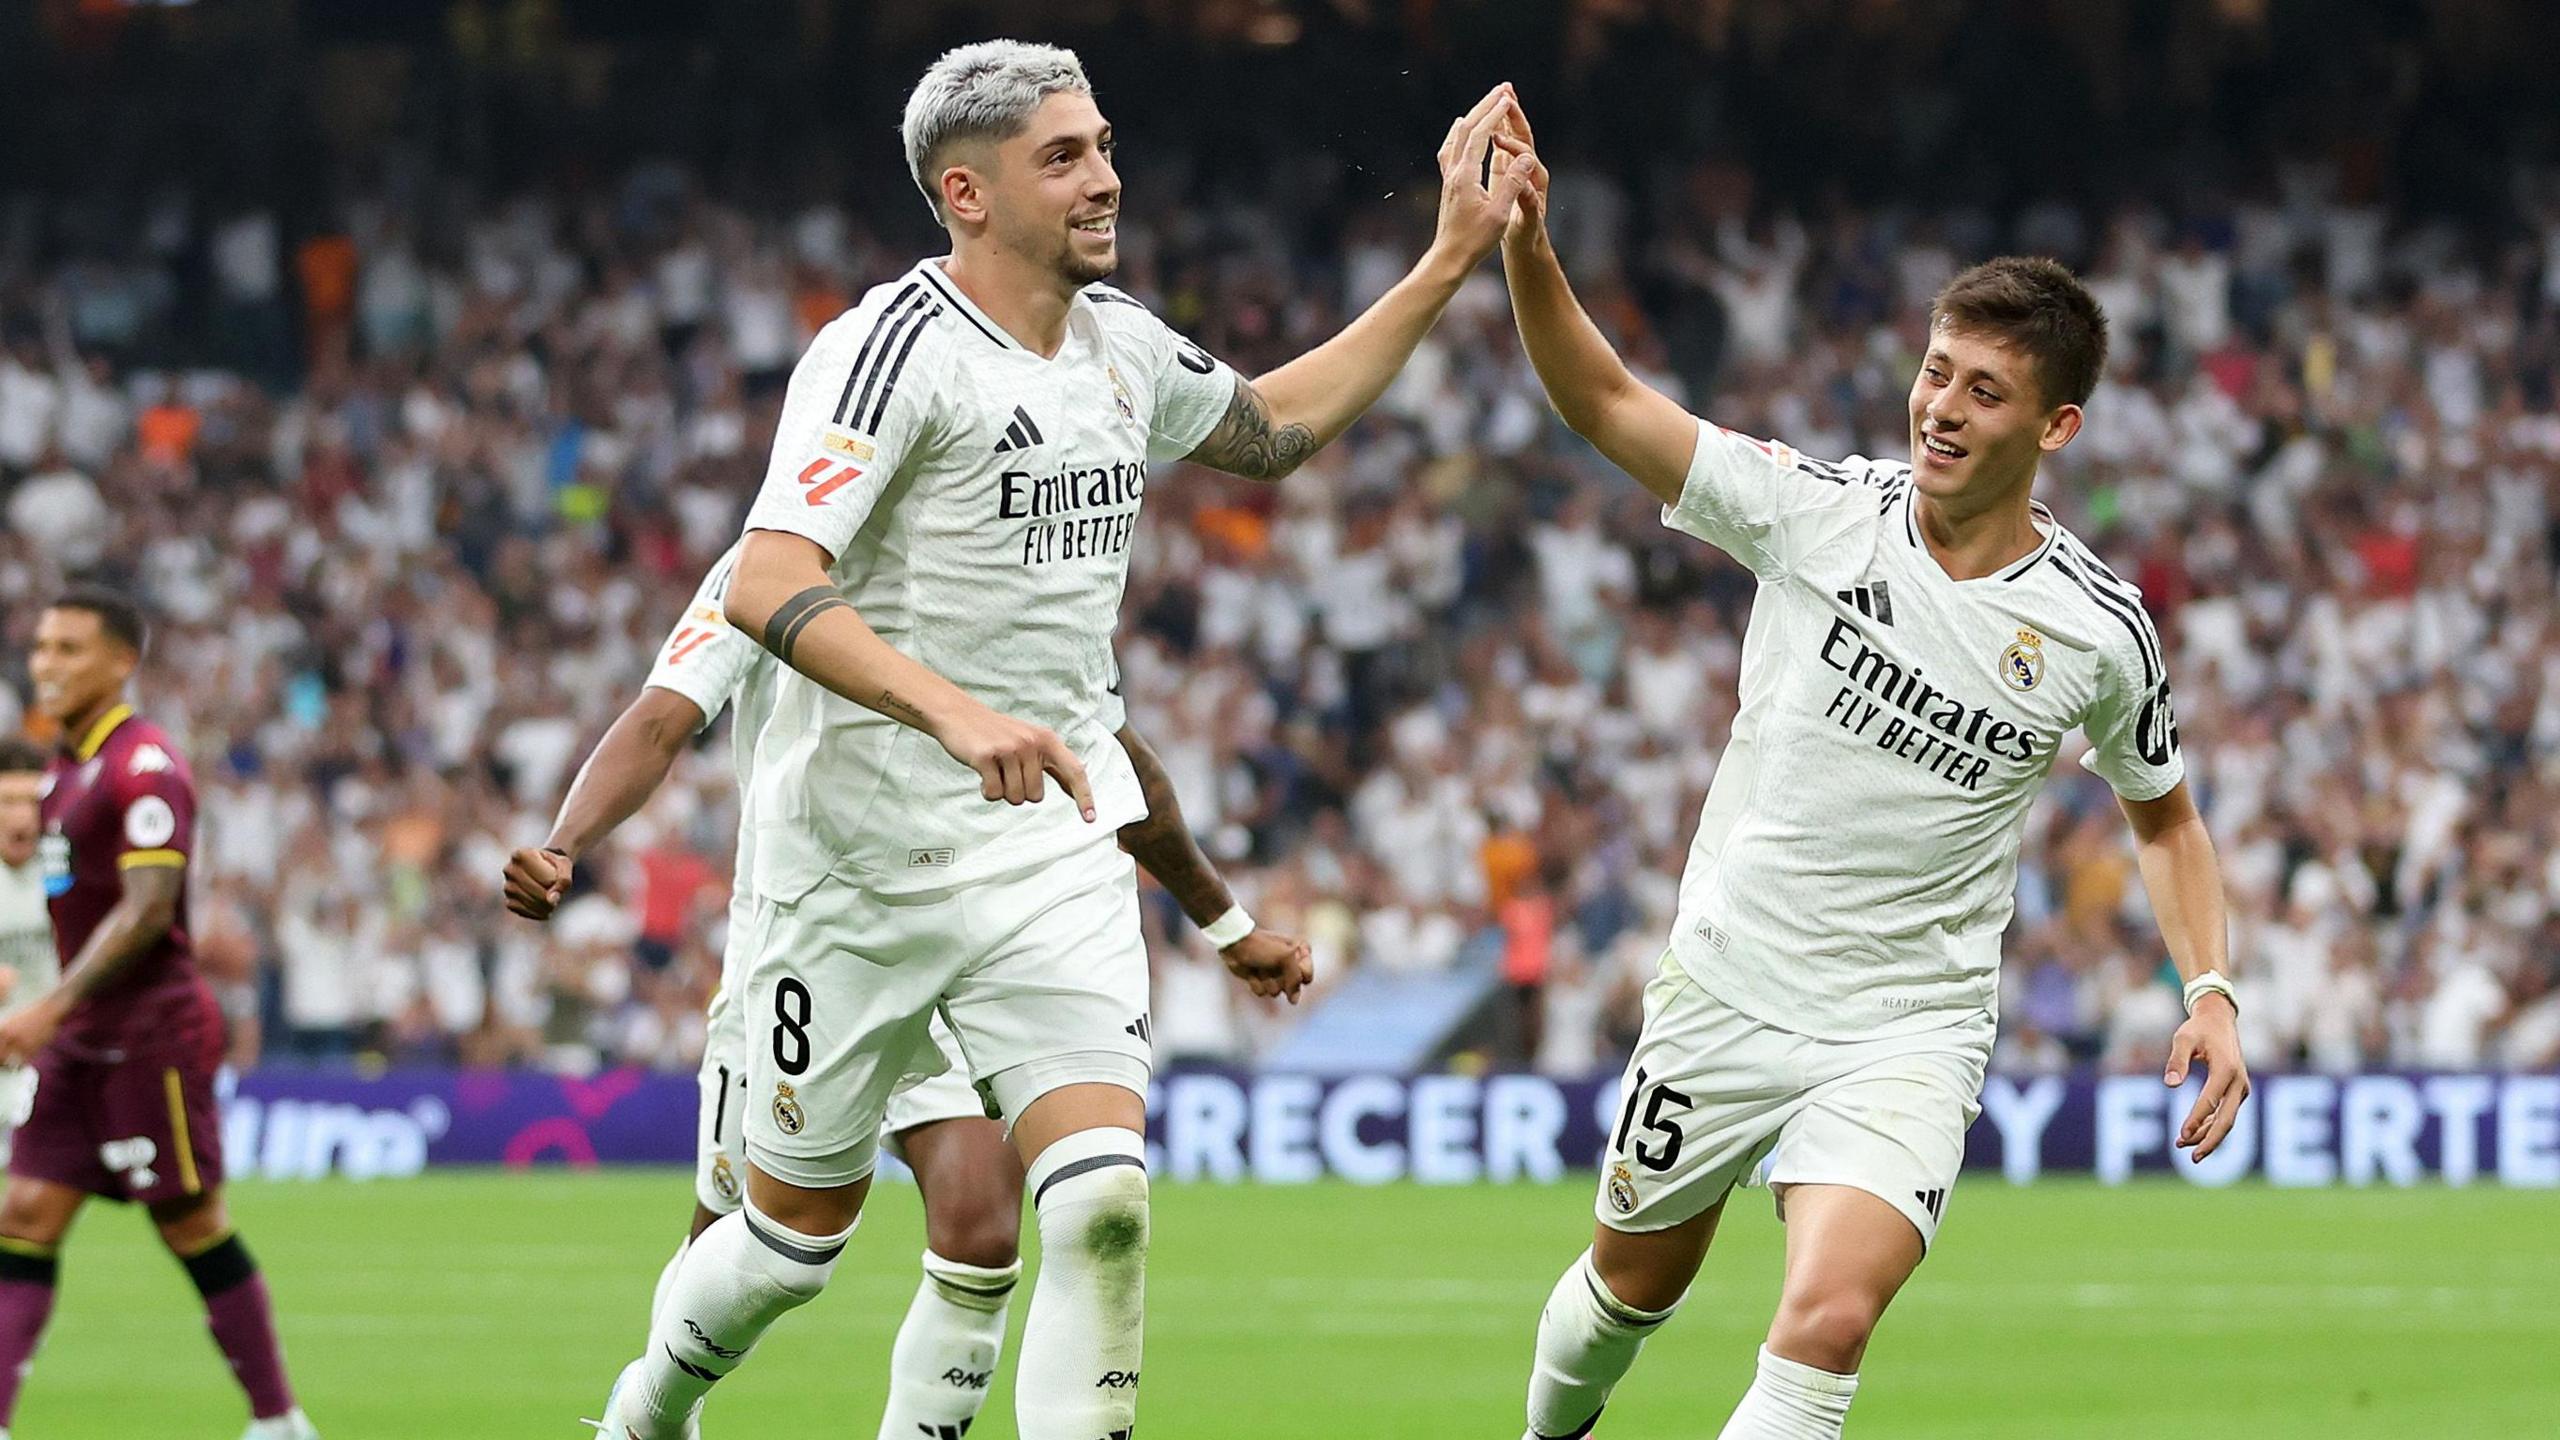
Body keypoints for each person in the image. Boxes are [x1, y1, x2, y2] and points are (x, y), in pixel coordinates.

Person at [594, 39, 1532, 1440]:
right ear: (966, 194)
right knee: (789, 1248)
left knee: (1097, 1205)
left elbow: (1273, 429)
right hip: (856, 863)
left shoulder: (1121, 344)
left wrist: (1451, 255)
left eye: (1101, 144)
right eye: (1066, 155)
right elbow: (769, 580)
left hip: (1047, 848)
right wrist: (958, 711)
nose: (1107, 176)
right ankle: (647, 1408)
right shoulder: (886, 352)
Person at [1493, 116, 2251, 1439]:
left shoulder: (2096, 626)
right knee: (1627, 1289)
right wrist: (1528, 249)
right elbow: (1606, 401)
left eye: (1984, 392)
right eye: (1936, 373)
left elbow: (2166, 814)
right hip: (1730, 981)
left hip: (1907, 1024)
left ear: (2057, 425)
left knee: (1826, 1321)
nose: (1942, 409)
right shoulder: (1817, 513)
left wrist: (2213, 991)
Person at [503, 539, 1310, 1439]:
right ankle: (650, 1414)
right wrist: (566, 842)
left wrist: (1227, 926)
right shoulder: (774, 560)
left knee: (981, 1239)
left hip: (989, 928)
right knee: (767, 1245)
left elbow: (1107, 756)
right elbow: (661, 719)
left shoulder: (1007, 552)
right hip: (813, 931)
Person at [0, 589, 316, 1440]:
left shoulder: (144, 766)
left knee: (190, 1223)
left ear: (119, 661)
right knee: (23, 1214)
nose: (47, 664)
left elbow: (148, 910)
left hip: (150, 1032)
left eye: (69, 649)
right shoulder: (63, 769)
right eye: (41, 648)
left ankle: (279, 1423)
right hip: (79, 1036)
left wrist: (45, 1007)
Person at [0, 740, 54, 1167]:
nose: (21, 815)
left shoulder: (69, 872)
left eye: (30, 801)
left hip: (53, 1069)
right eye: (7, 801)